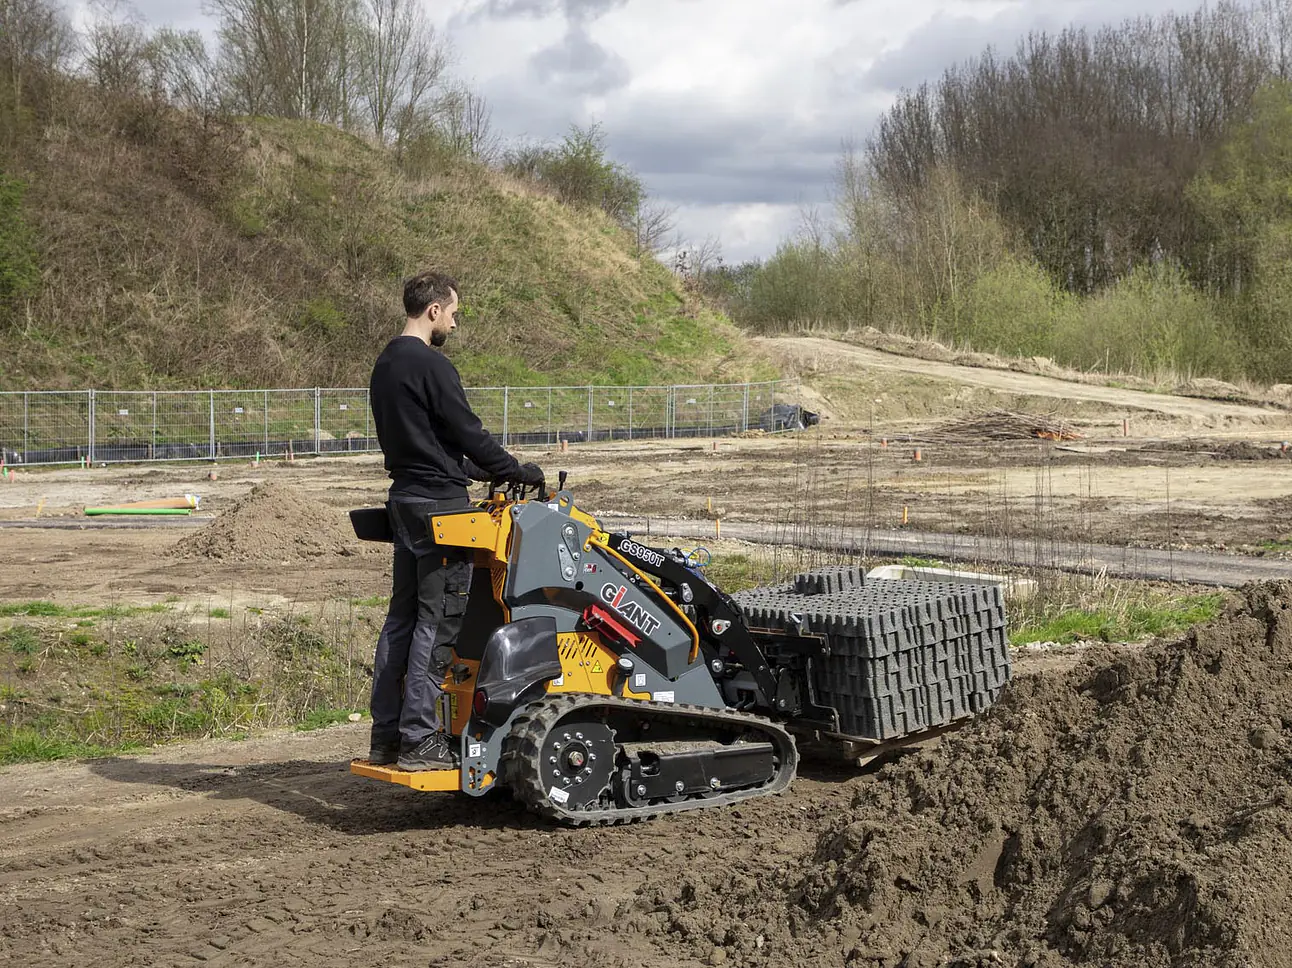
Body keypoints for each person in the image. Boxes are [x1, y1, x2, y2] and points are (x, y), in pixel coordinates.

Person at [368, 270, 544, 771]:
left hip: (404, 497)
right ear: (433, 311)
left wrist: (470, 470)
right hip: (440, 510)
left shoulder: (385, 365)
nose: (453, 323)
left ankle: (387, 734)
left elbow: (426, 445)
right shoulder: (432, 365)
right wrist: (513, 469)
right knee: (438, 619)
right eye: (453, 314)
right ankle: (421, 739)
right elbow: (468, 431)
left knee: (400, 619)